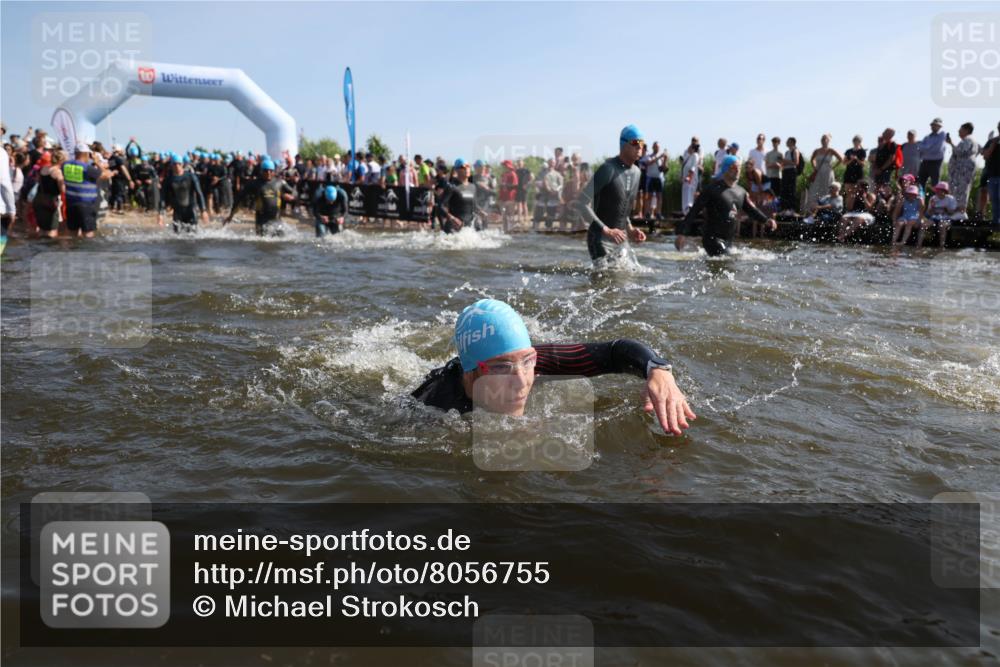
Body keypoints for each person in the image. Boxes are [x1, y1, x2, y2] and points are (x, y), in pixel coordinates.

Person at [411, 299, 696, 436]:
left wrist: (658, 370)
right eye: (501, 368)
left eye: (527, 361)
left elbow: (615, 351)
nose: (522, 380)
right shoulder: (434, 406)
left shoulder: (536, 363)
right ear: (470, 372)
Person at [676, 155, 777, 256]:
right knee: (725, 260)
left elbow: (751, 210)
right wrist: (682, 233)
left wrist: (766, 220)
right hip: (712, 239)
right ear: (725, 169)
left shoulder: (741, 191)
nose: (737, 170)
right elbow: (694, 211)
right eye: (734, 167)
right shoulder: (712, 189)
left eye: (739, 167)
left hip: (729, 241)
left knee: (730, 261)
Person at [578, 124, 648, 264]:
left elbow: (622, 206)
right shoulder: (608, 169)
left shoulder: (637, 172)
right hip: (600, 239)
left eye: (642, 144)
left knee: (629, 279)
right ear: (623, 144)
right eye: (635, 143)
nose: (640, 147)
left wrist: (631, 229)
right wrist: (606, 230)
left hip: (620, 238)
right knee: (608, 281)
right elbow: (582, 203)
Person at [226, 158, 296, 235]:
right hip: (262, 220)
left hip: (276, 219)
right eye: (266, 171)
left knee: (281, 242)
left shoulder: (280, 182)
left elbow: (294, 193)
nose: (268, 173)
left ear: (274, 171)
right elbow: (239, 198)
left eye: (271, 171)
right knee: (262, 243)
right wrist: (231, 215)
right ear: (262, 171)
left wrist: (289, 196)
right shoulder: (254, 183)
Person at [61, 143, 110, 239]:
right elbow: (107, 175)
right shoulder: (88, 168)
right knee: (88, 234)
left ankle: (71, 252)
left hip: (71, 203)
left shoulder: (65, 165)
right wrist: (97, 162)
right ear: (86, 154)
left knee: (72, 233)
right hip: (86, 205)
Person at [160, 155, 208, 233]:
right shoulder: (169, 179)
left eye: (179, 164)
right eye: (174, 164)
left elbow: (199, 193)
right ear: (171, 165)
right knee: (177, 236)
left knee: (193, 236)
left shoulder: (191, 177)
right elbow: (162, 197)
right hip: (177, 211)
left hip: (191, 210)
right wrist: (160, 214)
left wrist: (203, 210)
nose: (177, 166)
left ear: (182, 164)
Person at [436, 158, 477, 234]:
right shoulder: (452, 187)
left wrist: (481, 213)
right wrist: (452, 218)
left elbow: (474, 206)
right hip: (453, 230)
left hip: (468, 229)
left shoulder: (472, 187)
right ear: (457, 170)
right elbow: (440, 206)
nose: (466, 169)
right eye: (463, 167)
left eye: (468, 166)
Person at [946, 122, 979, 215]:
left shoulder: (968, 139)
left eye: (960, 129)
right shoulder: (968, 140)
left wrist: (951, 143)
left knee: (962, 189)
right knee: (960, 189)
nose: (958, 131)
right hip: (963, 169)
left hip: (964, 169)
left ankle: (960, 212)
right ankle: (959, 212)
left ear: (966, 130)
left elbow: (960, 152)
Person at [31, 150, 65, 238]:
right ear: (61, 161)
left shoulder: (43, 168)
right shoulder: (57, 172)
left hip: (38, 199)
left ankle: (40, 248)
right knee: (52, 229)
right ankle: (50, 249)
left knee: (42, 228)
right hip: (50, 201)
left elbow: (38, 181)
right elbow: (62, 189)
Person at [804, 134, 842, 210]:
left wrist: (833, 167)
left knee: (827, 188)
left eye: (825, 139)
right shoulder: (817, 150)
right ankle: (812, 209)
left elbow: (840, 159)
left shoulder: (831, 150)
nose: (824, 141)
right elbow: (812, 160)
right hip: (818, 172)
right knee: (815, 189)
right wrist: (815, 167)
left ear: (828, 141)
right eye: (822, 139)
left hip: (828, 171)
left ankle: (826, 208)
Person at [923, 182, 963, 249]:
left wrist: (945, 209)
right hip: (934, 218)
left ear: (945, 191)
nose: (938, 192)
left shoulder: (951, 199)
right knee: (923, 225)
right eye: (937, 190)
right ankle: (919, 244)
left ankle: (941, 246)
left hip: (947, 218)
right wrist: (932, 207)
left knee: (942, 226)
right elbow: (929, 213)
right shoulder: (933, 198)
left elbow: (952, 213)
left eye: (940, 190)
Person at [917, 118, 947, 191]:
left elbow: (937, 149)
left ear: (940, 126)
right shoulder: (927, 137)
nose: (934, 126)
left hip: (936, 162)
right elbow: (919, 148)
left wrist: (925, 148)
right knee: (920, 184)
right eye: (933, 125)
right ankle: (921, 201)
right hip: (925, 161)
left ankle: (936, 201)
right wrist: (929, 147)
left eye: (936, 125)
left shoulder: (942, 135)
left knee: (935, 185)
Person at [982, 122, 1000, 228]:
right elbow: (985, 156)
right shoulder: (992, 141)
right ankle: (996, 220)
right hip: (993, 175)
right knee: (994, 198)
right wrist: (993, 144)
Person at [842, 135, 867, 202]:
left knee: (857, 192)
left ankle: (856, 208)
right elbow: (844, 162)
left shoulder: (862, 151)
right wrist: (851, 160)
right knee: (848, 192)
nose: (856, 142)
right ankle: (848, 209)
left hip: (858, 174)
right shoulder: (848, 151)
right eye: (855, 141)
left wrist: (857, 159)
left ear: (860, 142)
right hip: (849, 173)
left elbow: (863, 164)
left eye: (857, 141)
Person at [681, 138, 702, 215]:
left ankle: (688, 212)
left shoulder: (695, 155)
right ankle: (685, 212)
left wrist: (689, 177)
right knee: (686, 195)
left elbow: (693, 167)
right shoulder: (690, 155)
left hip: (691, 179)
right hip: (686, 179)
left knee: (689, 195)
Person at [780, 137, 801, 213]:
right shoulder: (787, 152)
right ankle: (785, 209)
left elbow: (796, 162)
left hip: (792, 171)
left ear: (792, 142)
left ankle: (792, 209)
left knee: (791, 190)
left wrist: (785, 161)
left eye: (788, 141)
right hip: (785, 171)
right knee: (785, 190)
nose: (786, 142)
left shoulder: (795, 151)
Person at [498, 159, 519, 232]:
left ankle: (510, 230)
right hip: (503, 197)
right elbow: (500, 184)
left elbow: (515, 185)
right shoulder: (503, 174)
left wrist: (506, 185)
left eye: (504, 165)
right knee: (504, 215)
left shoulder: (513, 174)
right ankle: (505, 230)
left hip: (510, 197)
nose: (503, 167)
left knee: (510, 215)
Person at [764, 136, 782, 203]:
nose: (774, 143)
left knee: (778, 193)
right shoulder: (768, 154)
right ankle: (770, 207)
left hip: (778, 176)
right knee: (770, 193)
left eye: (776, 142)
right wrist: (774, 165)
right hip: (770, 176)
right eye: (773, 142)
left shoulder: (780, 154)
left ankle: (777, 207)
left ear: (779, 143)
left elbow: (782, 165)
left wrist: (778, 165)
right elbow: (766, 165)